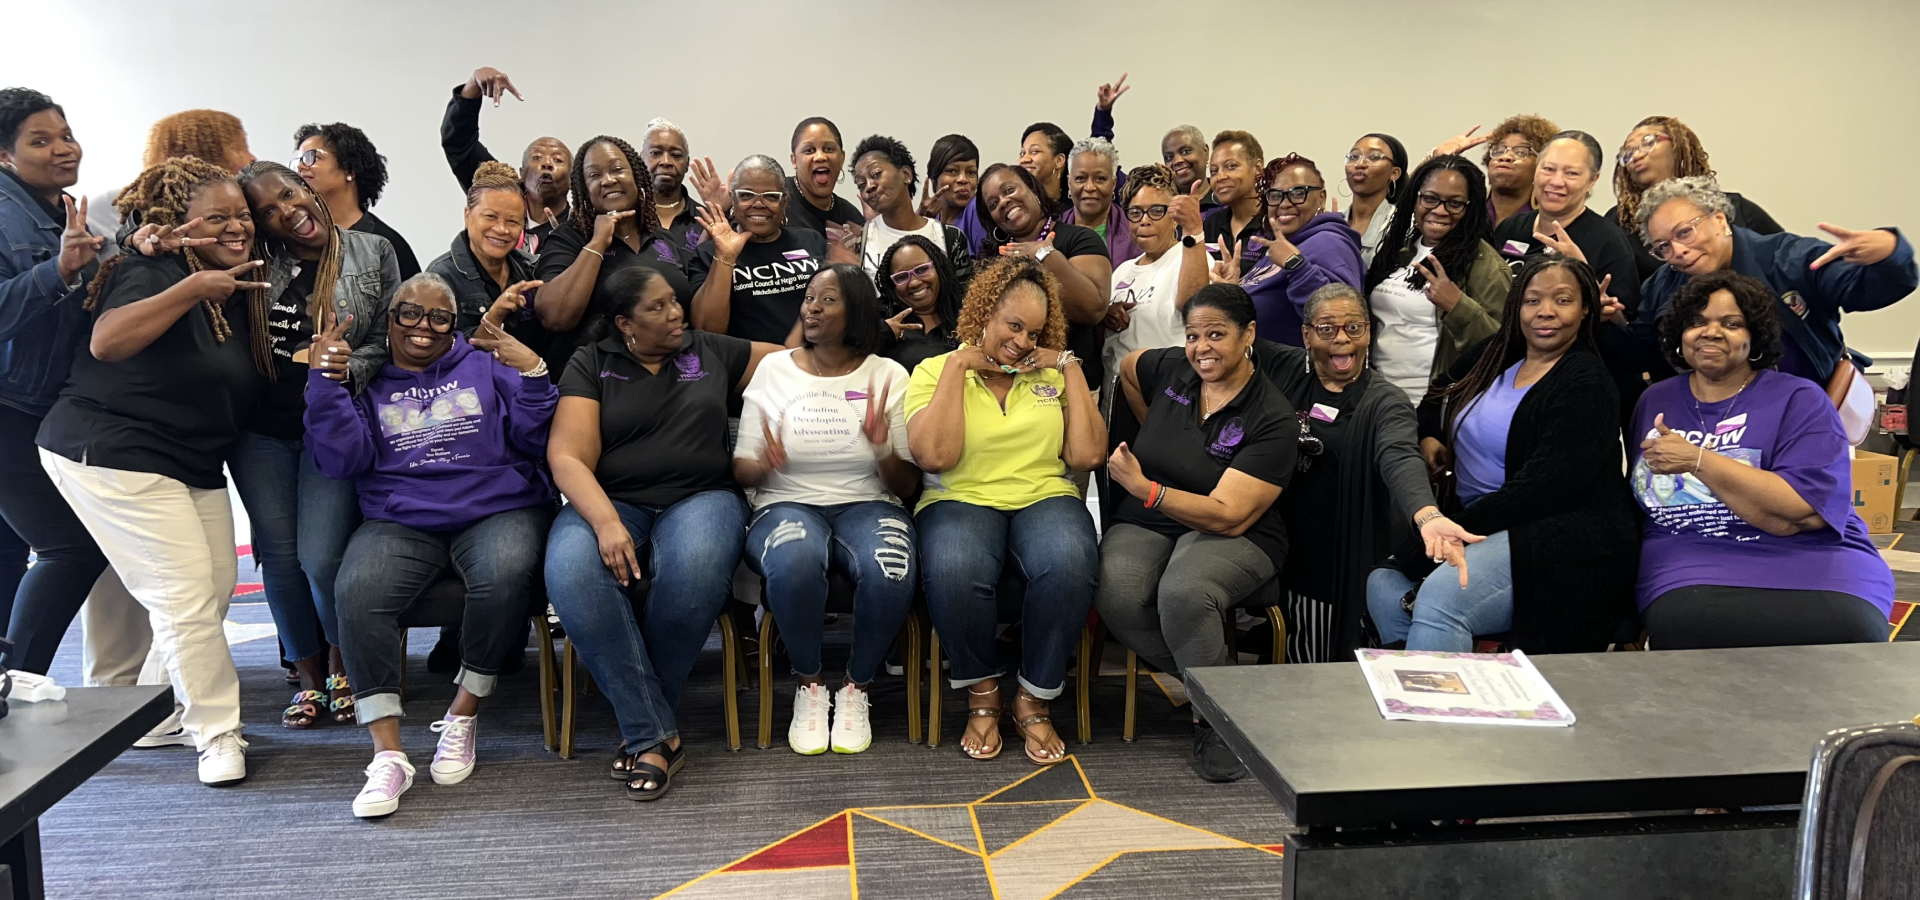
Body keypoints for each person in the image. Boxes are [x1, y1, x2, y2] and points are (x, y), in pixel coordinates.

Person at [36, 156, 275, 785]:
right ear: (178, 222)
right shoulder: (150, 268)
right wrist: (191, 288)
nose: (235, 228)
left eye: (241, 216)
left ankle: (146, 712)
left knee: (215, 588)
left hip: (189, 461)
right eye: (215, 217)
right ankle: (216, 734)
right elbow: (107, 342)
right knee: (185, 596)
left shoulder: (238, 276)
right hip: (110, 450)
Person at [306, 273, 554, 818]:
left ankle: (463, 714)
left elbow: (536, 439)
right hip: (402, 516)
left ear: (454, 325)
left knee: (507, 569)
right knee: (357, 588)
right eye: (410, 314)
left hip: (497, 507)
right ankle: (388, 755)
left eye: (439, 317)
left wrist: (533, 372)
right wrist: (324, 383)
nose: (424, 327)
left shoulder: (482, 363)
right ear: (390, 318)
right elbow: (341, 462)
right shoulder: (366, 376)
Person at [544, 265, 781, 800]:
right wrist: (605, 522)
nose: (676, 313)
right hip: (613, 501)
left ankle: (644, 732)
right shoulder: (593, 362)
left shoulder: (710, 349)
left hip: (702, 495)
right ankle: (656, 734)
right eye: (658, 307)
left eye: (675, 302)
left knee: (694, 572)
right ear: (624, 323)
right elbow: (566, 455)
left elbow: (799, 362)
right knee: (572, 573)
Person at [1365, 257, 1639, 653]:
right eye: (1532, 301)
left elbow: (1542, 489)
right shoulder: (1496, 354)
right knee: (1385, 584)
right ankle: (1428, 682)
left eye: (1562, 300)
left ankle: (1435, 711)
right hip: (1487, 522)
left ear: (1585, 310)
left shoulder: (1587, 382)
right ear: (1517, 308)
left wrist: (1451, 526)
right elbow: (1436, 396)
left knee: (1444, 596)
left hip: (1563, 535)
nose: (1545, 312)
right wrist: (1429, 434)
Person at [905, 256, 1106, 766]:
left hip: (1043, 495)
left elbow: (1085, 456)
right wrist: (958, 366)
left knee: (1068, 560)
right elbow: (934, 457)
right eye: (1012, 326)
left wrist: (1069, 366)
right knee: (955, 565)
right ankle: (982, 689)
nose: (1021, 342)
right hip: (960, 497)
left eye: (1033, 332)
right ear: (985, 314)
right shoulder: (933, 370)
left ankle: (1035, 695)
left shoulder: (1051, 375)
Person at [1630, 271, 1892, 649]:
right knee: (1688, 624)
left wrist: (1699, 460)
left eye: (1731, 323)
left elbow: (1804, 510)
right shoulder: (1655, 400)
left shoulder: (1800, 398)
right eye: (1697, 322)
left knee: (1849, 631)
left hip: (1815, 560)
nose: (1711, 332)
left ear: (1753, 336)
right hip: (1694, 558)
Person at [1098, 284, 1296, 782]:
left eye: (1216, 334)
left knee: (1184, 593)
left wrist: (1147, 487)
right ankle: (1229, 691)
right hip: (1151, 518)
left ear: (1249, 334)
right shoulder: (1173, 370)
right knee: (1114, 593)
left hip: (1235, 531)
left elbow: (1228, 513)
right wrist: (1157, 432)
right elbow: (1128, 368)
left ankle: (1214, 719)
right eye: (1192, 335)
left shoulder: (1271, 416)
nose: (1201, 347)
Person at [227, 160, 400, 729]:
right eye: (269, 211)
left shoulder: (372, 252)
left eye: (290, 194)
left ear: (308, 188)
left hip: (333, 426)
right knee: (277, 558)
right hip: (260, 431)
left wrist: (351, 364)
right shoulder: (256, 261)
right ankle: (306, 677)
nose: (288, 211)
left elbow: (391, 337)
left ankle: (341, 664)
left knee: (322, 558)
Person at [733, 264, 919, 754]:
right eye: (809, 297)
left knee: (891, 568)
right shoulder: (774, 369)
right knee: (794, 561)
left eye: (826, 300)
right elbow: (741, 471)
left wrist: (882, 449)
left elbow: (906, 484)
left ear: (855, 311)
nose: (810, 308)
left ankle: (857, 688)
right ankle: (810, 685)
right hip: (784, 503)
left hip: (869, 502)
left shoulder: (888, 375)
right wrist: (763, 462)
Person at [1255, 284, 1476, 663]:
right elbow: (1228, 338)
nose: (1342, 339)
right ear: (1306, 335)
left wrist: (1427, 515)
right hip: (1283, 548)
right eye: (1327, 329)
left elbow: (1400, 457)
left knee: (1319, 672)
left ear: (1369, 332)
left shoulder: (1385, 402)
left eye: (1354, 328)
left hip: (1335, 561)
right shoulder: (1288, 369)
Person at [0, 88, 115, 676]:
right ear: (4, 155)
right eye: (39, 141)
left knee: (9, 554)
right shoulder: (5, 212)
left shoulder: (58, 211)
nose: (62, 150)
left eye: (64, 135)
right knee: (70, 546)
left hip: (37, 410)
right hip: (8, 409)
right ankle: (20, 685)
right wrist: (59, 270)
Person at [1625, 176, 1916, 389]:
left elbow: (1866, 290)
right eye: (1662, 246)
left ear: (1720, 220)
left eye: (1685, 233)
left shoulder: (1788, 258)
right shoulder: (1662, 285)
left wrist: (1890, 252)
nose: (1677, 251)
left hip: (1809, 408)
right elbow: (1641, 350)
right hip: (1716, 420)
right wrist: (1604, 316)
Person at [536, 135, 693, 373]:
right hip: (593, 381)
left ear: (637, 177)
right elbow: (555, 317)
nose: (608, 180)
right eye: (595, 175)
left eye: (617, 170)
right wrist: (598, 242)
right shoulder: (568, 238)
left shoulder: (663, 237)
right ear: (584, 190)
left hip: (665, 376)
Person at [1362, 155, 1510, 398]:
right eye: (1430, 199)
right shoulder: (1398, 251)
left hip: (1431, 402)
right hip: (1377, 398)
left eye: (1454, 203)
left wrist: (1458, 306)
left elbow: (1505, 348)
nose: (1440, 211)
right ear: (1415, 200)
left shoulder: (1488, 267)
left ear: (1470, 207)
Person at [973, 164, 1111, 402]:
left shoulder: (1079, 238)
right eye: (994, 204)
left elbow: (1093, 309)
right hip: (1007, 388)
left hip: (1071, 386)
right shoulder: (995, 259)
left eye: (1009, 190)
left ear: (1033, 190)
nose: (1004, 202)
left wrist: (1046, 255)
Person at [1607, 116, 1782, 282]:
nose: (1636, 156)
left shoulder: (1733, 207)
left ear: (1677, 145)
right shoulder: (1619, 222)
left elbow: (1781, 256)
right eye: (1627, 153)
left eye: (1647, 143)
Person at [1218, 154, 1364, 346]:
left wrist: (1296, 265)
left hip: (1301, 373)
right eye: (1276, 195)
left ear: (1321, 198)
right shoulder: (1285, 245)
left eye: (1297, 193)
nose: (1284, 204)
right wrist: (1234, 292)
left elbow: (1339, 320)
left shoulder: (1329, 242)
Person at [688, 156, 832, 345]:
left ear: (785, 201)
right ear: (733, 199)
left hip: (816, 363)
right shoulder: (709, 254)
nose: (758, 204)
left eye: (771, 196)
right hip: (751, 369)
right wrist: (726, 257)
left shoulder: (810, 240)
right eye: (746, 195)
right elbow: (707, 331)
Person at [437, 65, 571, 253]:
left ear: (573, 179)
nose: (546, 164)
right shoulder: (497, 193)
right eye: (537, 157)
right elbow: (459, 143)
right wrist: (473, 86)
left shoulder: (580, 228)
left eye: (557, 160)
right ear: (522, 174)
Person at [1102, 164, 1209, 376]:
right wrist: (1106, 313)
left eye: (1156, 211)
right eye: (1135, 212)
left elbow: (1192, 307)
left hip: (1167, 391)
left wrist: (1193, 230)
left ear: (1173, 217)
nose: (1145, 221)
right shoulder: (1121, 271)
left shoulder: (1192, 256)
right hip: (1115, 396)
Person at [425, 160, 545, 344]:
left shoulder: (532, 267)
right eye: (490, 217)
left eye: (512, 221)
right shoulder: (440, 277)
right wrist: (495, 316)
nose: (501, 229)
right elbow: (439, 351)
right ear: (467, 215)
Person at [294, 122, 419, 279]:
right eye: (299, 159)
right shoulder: (295, 240)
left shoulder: (386, 245)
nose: (300, 166)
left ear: (349, 170)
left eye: (312, 157)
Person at [850, 134, 972, 280]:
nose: (869, 187)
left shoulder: (951, 238)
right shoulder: (859, 241)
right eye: (861, 185)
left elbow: (966, 298)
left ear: (906, 174)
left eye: (876, 174)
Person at [876, 234, 964, 373]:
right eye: (902, 277)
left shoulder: (968, 313)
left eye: (922, 270)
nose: (914, 282)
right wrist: (882, 333)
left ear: (939, 268)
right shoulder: (881, 317)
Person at [785, 117, 862, 262]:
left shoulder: (851, 217)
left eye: (829, 149)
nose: (820, 157)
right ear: (794, 160)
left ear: (842, 158)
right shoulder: (776, 201)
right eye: (809, 150)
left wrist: (879, 223)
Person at [1062, 138, 1141, 264]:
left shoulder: (1136, 233)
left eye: (1100, 179)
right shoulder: (1050, 230)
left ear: (1114, 184)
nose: (1089, 187)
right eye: (1080, 178)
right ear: (1069, 183)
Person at [642, 118, 712, 256]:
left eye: (676, 155)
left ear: (687, 164)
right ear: (641, 159)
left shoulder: (705, 220)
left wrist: (724, 211)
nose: (666, 162)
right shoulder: (627, 219)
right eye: (656, 153)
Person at [1201, 131, 1266, 273]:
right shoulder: (1210, 224)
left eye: (1231, 166)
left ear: (1258, 169)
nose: (1220, 177)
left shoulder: (1274, 223)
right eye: (1213, 171)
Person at [1479, 115, 1558, 228]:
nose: (1505, 157)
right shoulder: (1466, 213)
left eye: (1521, 152)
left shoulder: (1550, 223)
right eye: (1499, 150)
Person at [1340, 134, 1406, 265]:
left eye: (1374, 157)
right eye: (1354, 157)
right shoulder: (1333, 221)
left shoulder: (1403, 225)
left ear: (1394, 173)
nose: (1360, 164)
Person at [918, 134, 980, 231]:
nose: (963, 179)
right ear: (934, 175)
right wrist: (920, 219)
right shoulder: (930, 216)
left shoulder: (977, 210)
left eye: (971, 172)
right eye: (952, 171)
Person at [1018, 122, 1075, 216]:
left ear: (1059, 161)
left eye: (1034, 151)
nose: (1024, 159)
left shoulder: (1075, 211)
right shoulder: (1017, 208)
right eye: (1022, 153)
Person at [1160, 125, 1213, 206]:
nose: (1177, 161)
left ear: (1205, 152)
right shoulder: (1161, 207)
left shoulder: (1227, 200)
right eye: (1169, 157)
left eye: (1186, 151)